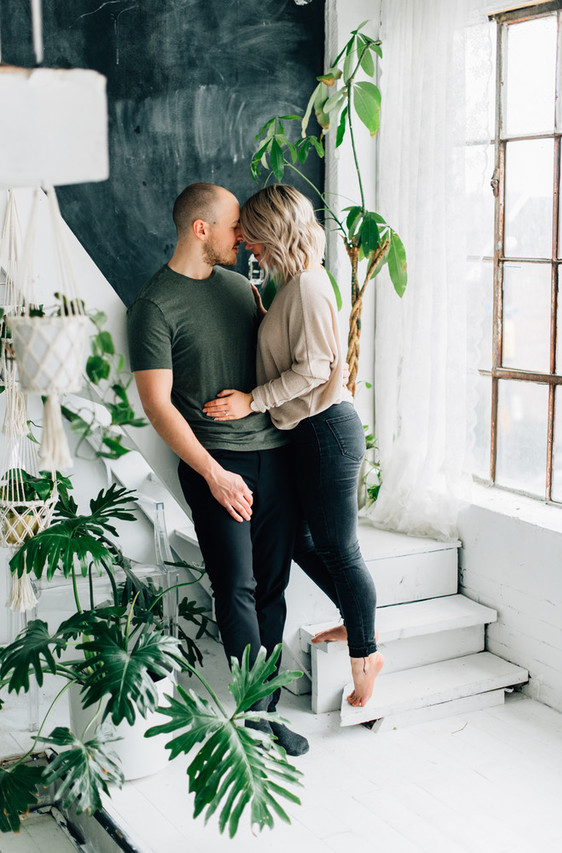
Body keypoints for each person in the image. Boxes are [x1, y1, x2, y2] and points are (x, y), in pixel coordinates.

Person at [126, 182, 309, 755]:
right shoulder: (154, 305)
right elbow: (157, 404)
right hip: (216, 464)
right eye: (235, 227)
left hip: (275, 453)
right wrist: (212, 473)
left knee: (274, 585)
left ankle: (267, 705)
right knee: (238, 587)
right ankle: (255, 718)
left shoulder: (241, 287)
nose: (244, 238)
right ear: (200, 229)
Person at [203, 184, 384, 707]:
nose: (246, 244)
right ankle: (358, 618)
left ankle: (366, 653)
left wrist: (252, 401)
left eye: (252, 236)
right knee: (305, 542)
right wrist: (263, 316)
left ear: (273, 231)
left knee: (338, 547)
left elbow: (317, 368)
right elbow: (295, 348)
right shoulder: (295, 286)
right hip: (310, 433)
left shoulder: (306, 285)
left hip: (326, 429)